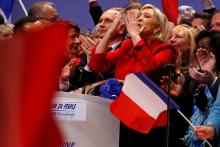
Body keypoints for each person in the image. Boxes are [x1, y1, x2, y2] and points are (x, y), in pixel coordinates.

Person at [88, 4, 177, 146]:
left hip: (148, 118)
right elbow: (97, 65)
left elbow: (148, 68)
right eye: (139, 16)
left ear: (158, 28)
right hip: (123, 113)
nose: (139, 19)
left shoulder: (167, 49)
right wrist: (110, 32)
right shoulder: (127, 45)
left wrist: (135, 35)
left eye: (146, 16)